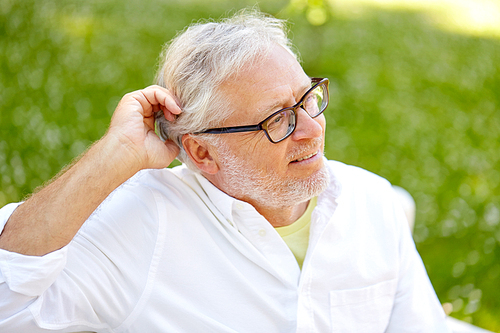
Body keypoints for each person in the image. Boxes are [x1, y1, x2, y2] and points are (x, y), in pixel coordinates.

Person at [0, 10, 449, 332]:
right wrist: (114, 154)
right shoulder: (144, 225)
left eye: (307, 98)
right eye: (278, 119)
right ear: (201, 152)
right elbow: (9, 302)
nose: (312, 129)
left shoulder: (370, 203)